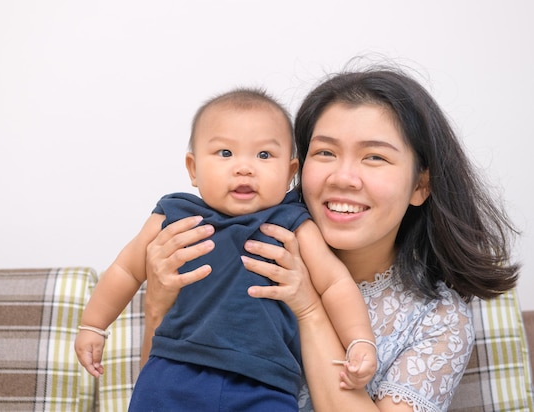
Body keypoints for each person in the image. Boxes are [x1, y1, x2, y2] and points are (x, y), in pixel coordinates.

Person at [142, 67, 520, 411]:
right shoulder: (236, 246)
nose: (343, 178)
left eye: (374, 157)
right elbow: (159, 392)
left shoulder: (437, 320)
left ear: (420, 185)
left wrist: (308, 308)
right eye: (325, 152)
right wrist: (158, 306)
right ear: (298, 166)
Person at [74, 88, 377, 411]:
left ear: (290, 174)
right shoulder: (173, 215)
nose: (243, 168)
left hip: (265, 382)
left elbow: (335, 283)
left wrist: (360, 341)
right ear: (193, 168)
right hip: (173, 371)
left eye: (263, 155)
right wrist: (93, 325)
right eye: (225, 153)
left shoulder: (292, 223)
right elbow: (125, 269)